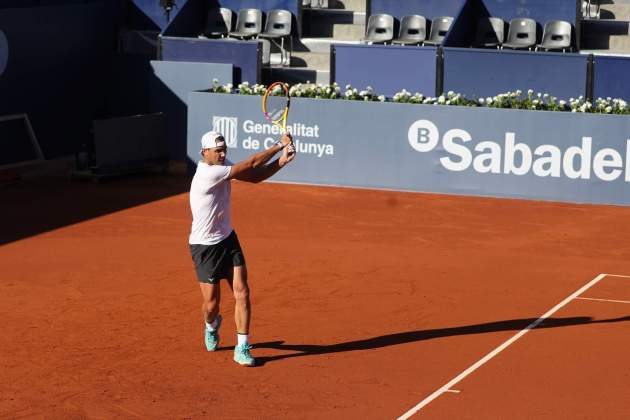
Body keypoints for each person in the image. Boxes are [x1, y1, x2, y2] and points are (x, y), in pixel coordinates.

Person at [189, 130, 295, 367]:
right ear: (204, 153)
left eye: (224, 148)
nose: (223, 153)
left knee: (243, 292)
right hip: (204, 246)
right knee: (211, 305)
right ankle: (211, 325)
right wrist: (279, 144)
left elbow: (254, 175)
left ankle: (242, 347)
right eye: (218, 151)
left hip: (228, 239)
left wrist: (281, 162)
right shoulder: (208, 173)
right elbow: (252, 163)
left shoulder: (222, 164)